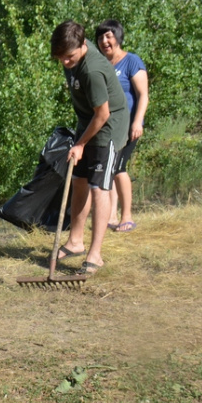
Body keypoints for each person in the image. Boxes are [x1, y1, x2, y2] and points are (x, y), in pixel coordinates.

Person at [50, 20, 129, 275]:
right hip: (89, 123)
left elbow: (103, 114)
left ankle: (95, 254)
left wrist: (82, 144)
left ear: (82, 45)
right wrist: (80, 140)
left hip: (108, 127)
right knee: (80, 180)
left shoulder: (92, 71)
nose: (65, 62)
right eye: (61, 57)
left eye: (69, 57)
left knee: (99, 187)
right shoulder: (71, 59)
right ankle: (75, 242)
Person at [95, 19, 149, 233]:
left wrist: (138, 121)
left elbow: (143, 94)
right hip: (107, 127)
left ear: (117, 37)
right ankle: (111, 215)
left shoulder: (132, 61)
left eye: (108, 36)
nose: (104, 41)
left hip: (128, 127)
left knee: (119, 168)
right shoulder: (100, 64)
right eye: (100, 37)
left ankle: (127, 217)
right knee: (109, 168)